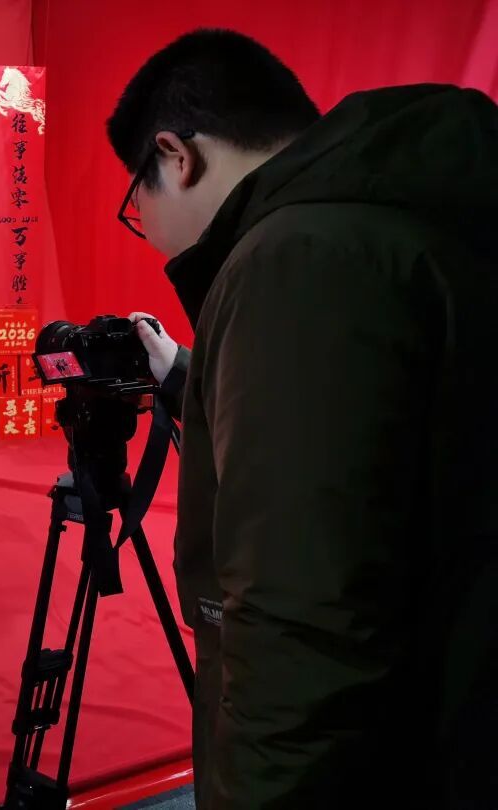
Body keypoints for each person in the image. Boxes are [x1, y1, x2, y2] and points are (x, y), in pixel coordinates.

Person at [107, 29, 498, 809]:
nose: (143, 225)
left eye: (134, 199)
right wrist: (187, 372)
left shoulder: (291, 260)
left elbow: (304, 622)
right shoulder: (409, 215)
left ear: (175, 156)